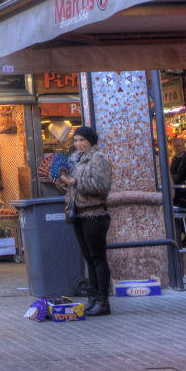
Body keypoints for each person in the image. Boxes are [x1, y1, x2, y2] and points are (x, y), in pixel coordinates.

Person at [58, 126, 113, 316]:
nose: (78, 144)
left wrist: (76, 183)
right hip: (79, 215)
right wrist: (66, 185)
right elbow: (77, 187)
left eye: (82, 140)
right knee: (89, 259)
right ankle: (93, 298)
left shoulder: (99, 158)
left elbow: (103, 186)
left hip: (95, 215)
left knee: (98, 259)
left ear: (90, 140)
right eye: (75, 140)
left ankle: (103, 302)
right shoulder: (78, 159)